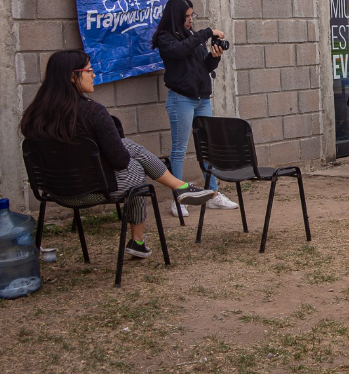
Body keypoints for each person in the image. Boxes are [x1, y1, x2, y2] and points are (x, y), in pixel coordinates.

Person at [19, 51, 215, 258]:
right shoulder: (93, 113)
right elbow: (120, 161)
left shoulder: (33, 116)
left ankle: (179, 188)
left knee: (127, 148)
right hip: (93, 191)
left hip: (54, 191)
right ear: (72, 76)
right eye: (89, 70)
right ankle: (143, 234)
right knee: (137, 170)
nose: (94, 75)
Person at [152, 0, 238, 215]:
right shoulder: (166, 38)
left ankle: (213, 194)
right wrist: (207, 32)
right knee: (179, 149)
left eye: (192, 15)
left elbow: (204, 65)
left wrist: (214, 56)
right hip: (181, 99)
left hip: (201, 99)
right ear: (176, 17)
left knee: (207, 148)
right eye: (187, 16)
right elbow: (180, 51)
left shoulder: (192, 36)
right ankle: (178, 198)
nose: (191, 20)